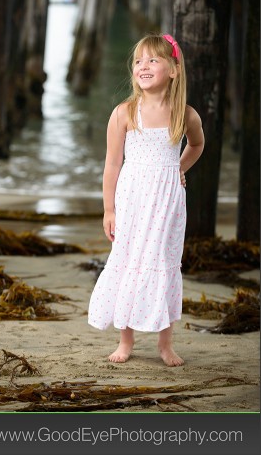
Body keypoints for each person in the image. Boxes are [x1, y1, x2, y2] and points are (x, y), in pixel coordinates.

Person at [87, 33, 204, 367]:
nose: (144, 66)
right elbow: (111, 165)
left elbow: (196, 145)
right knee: (129, 261)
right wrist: (109, 209)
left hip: (168, 201)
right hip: (132, 199)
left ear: (173, 70)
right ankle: (126, 340)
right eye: (139, 61)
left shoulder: (186, 114)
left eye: (153, 59)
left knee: (164, 264)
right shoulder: (125, 112)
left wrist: (178, 167)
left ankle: (165, 344)